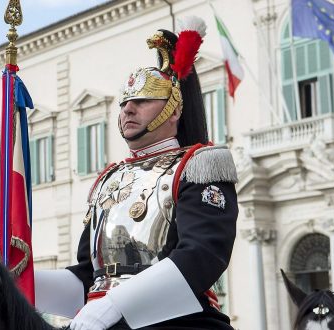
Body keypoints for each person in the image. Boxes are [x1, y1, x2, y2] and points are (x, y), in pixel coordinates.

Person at [35, 16, 238, 330]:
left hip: (179, 320)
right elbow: (89, 278)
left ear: (173, 109)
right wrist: (23, 282)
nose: (128, 109)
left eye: (142, 101)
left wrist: (114, 305)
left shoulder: (199, 166)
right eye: (125, 101)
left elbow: (202, 255)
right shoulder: (109, 179)